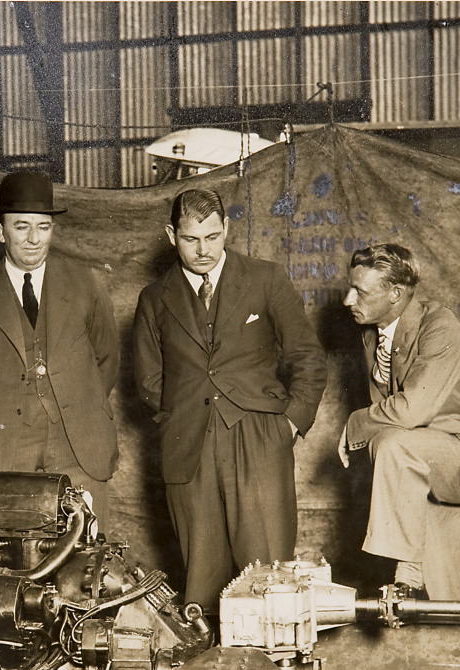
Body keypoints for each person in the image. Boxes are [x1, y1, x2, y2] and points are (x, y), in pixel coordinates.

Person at [132, 187, 327, 613]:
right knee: (202, 578)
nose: (203, 249)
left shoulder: (265, 278)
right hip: (189, 445)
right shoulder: (154, 298)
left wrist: (289, 423)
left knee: (270, 574)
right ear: (171, 235)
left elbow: (307, 357)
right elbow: (148, 380)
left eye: (213, 237)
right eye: (191, 239)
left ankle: (275, 669)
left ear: (227, 230)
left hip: (259, 435)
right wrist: (177, 421)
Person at [339, 243, 460, 599]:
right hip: (421, 456)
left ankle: (407, 577)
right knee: (442, 593)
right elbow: (393, 414)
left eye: (361, 291)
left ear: (395, 294)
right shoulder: (371, 335)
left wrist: (355, 424)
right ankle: (440, 612)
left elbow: (411, 411)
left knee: (391, 445)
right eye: (350, 288)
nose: (349, 300)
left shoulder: (439, 325)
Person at [0, 171, 119, 523]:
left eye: (43, 227)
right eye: (21, 226)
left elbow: (106, 359)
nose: (33, 239)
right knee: (19, 559)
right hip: (7, 451)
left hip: (80, 445)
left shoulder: (86, 284)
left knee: (87, 558)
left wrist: (75, 403)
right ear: (0, 232)